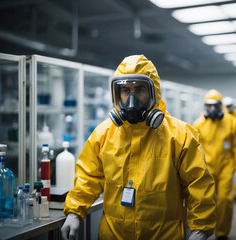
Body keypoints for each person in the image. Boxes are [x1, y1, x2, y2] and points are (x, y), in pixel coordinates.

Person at [61, 55, 216, 240]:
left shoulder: (180, 135)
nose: (131, 99)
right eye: (125, 90)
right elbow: (88, 177)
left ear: (154, 92)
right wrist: (74, 212)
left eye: (139, 89)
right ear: (117, 94)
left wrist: (200, 229)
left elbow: (198, 184)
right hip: (113, 235)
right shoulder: (103, 134)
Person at [193, 89, 236, 240]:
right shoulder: (198, 124)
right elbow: (193, 150)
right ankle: (204, 230)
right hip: (206, 169)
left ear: (220, 106)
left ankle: (222, 233)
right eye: (208, 106)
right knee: (205, 202)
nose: (212, 109)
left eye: (215, 106)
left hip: (226, 167)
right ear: (205, 107)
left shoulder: (231, 122)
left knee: (225, 199)